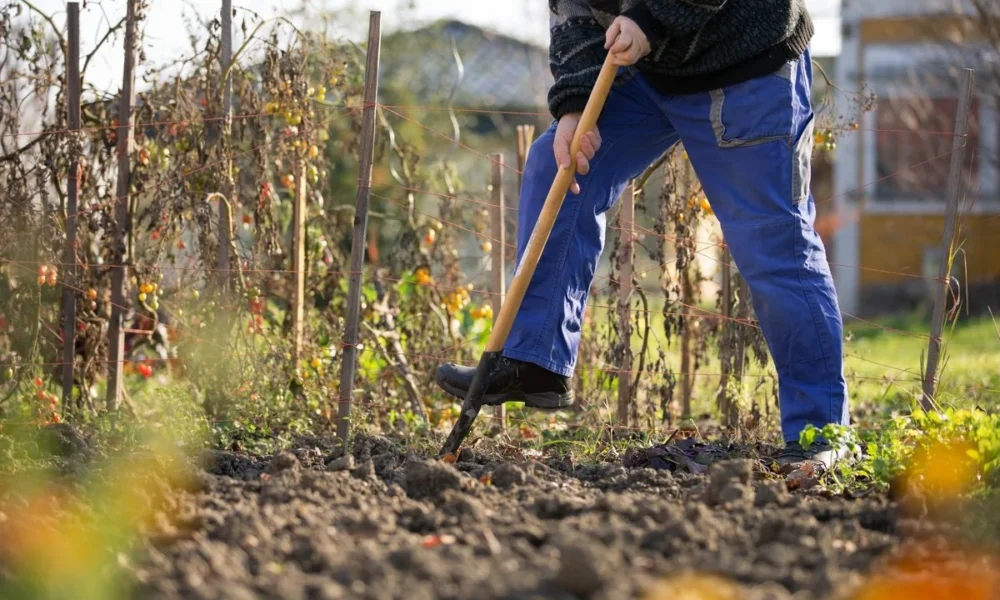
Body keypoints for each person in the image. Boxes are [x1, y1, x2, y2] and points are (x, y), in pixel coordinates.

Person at [435, 0, 850, 469]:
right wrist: (573, 104)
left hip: (743, 64)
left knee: (775, 244)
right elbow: (572, 10)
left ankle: (821, 433)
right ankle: (535, 360)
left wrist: (652, 19)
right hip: (651, 72)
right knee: (560, 164)